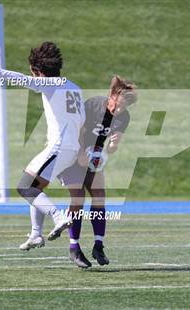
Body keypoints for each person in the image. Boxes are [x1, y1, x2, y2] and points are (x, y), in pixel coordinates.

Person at [0, 42, 85, 250]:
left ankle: (58, 216)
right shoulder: (74, 87)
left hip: (59, 147)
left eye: (34, 73)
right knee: (36, 189)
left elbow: (24, 80)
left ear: (38, 71)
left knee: (24, 186)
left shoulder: (49, 83)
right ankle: (36, 234)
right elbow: (81, 119)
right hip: (70, 148)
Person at [58, 75, 137, 268]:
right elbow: (78, 129)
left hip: (93, 157)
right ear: (112, 95)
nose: (119, 110)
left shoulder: (123, 117)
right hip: (73, 153)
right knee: (78, 199)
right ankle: (74, 248)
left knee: (99, 196)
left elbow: (109, 148)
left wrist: (113, 145)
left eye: (124, 108)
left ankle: (98, 246)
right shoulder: (93, 104)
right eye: (117, 105)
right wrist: (80, 153)